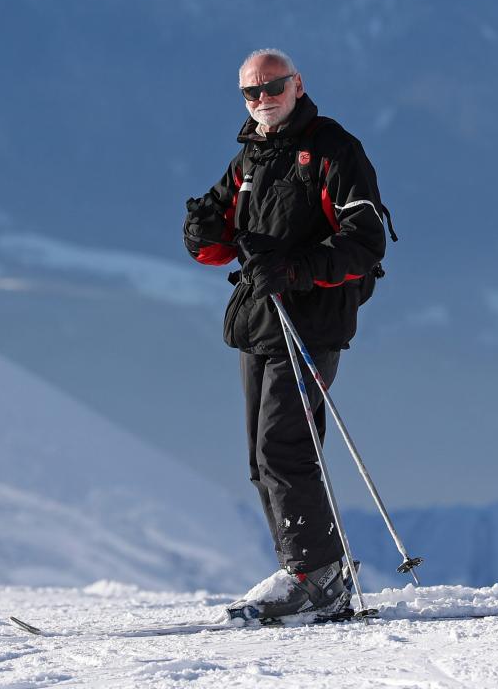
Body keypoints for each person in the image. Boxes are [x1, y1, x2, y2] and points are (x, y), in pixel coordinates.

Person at [183, 48, 387, 621]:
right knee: (261, 457)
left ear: (297, 84)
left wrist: (297, 269)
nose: (262, 99)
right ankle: (306, 571)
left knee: (285, 447)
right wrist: (198, 231)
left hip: (312, 321)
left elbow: (365, 244)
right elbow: (219, 242)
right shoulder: (250, 158)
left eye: (273, 86)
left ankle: (320, 578)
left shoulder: (332, 150)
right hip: (261, 321)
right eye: (251, 92)